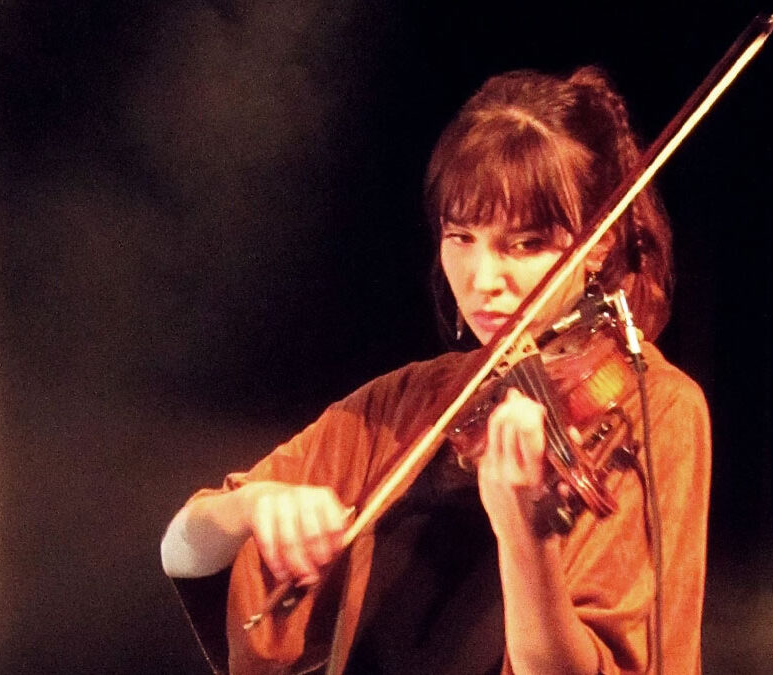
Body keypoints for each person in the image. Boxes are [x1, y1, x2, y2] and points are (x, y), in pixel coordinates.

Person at [161, 66, 711, 675]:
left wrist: (524, 538)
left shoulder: (655, 407)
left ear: (599, 242)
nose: (482, 280)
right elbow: (181, 549)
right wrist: (254, 504)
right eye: (461, 236)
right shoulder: (411, 398)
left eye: (526, 244)